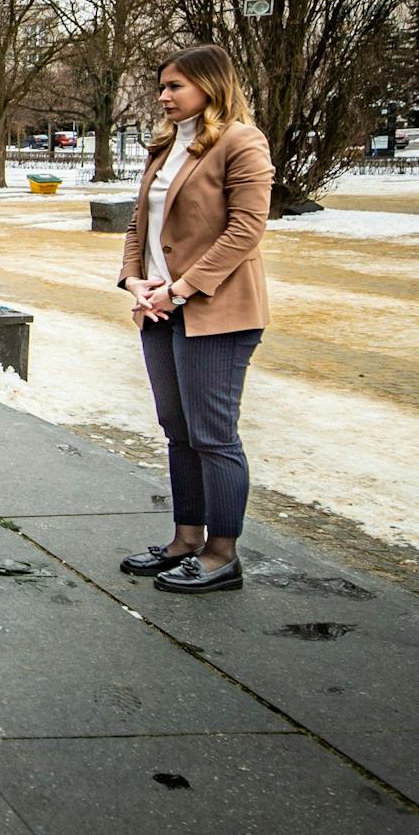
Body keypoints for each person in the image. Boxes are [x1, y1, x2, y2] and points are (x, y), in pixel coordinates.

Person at [117, 45, 273, 594]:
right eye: (163, 86)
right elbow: (140, 223)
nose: (164, 96)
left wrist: (181, 288)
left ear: (210, 85)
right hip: (159, 309)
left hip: (216, 313)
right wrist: (134, 279)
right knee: (178, 431)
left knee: (213, 435)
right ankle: (185, 540)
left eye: (175, 86)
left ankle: (221, 554)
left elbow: (245, 230)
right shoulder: (165, 145)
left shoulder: (240, 142)